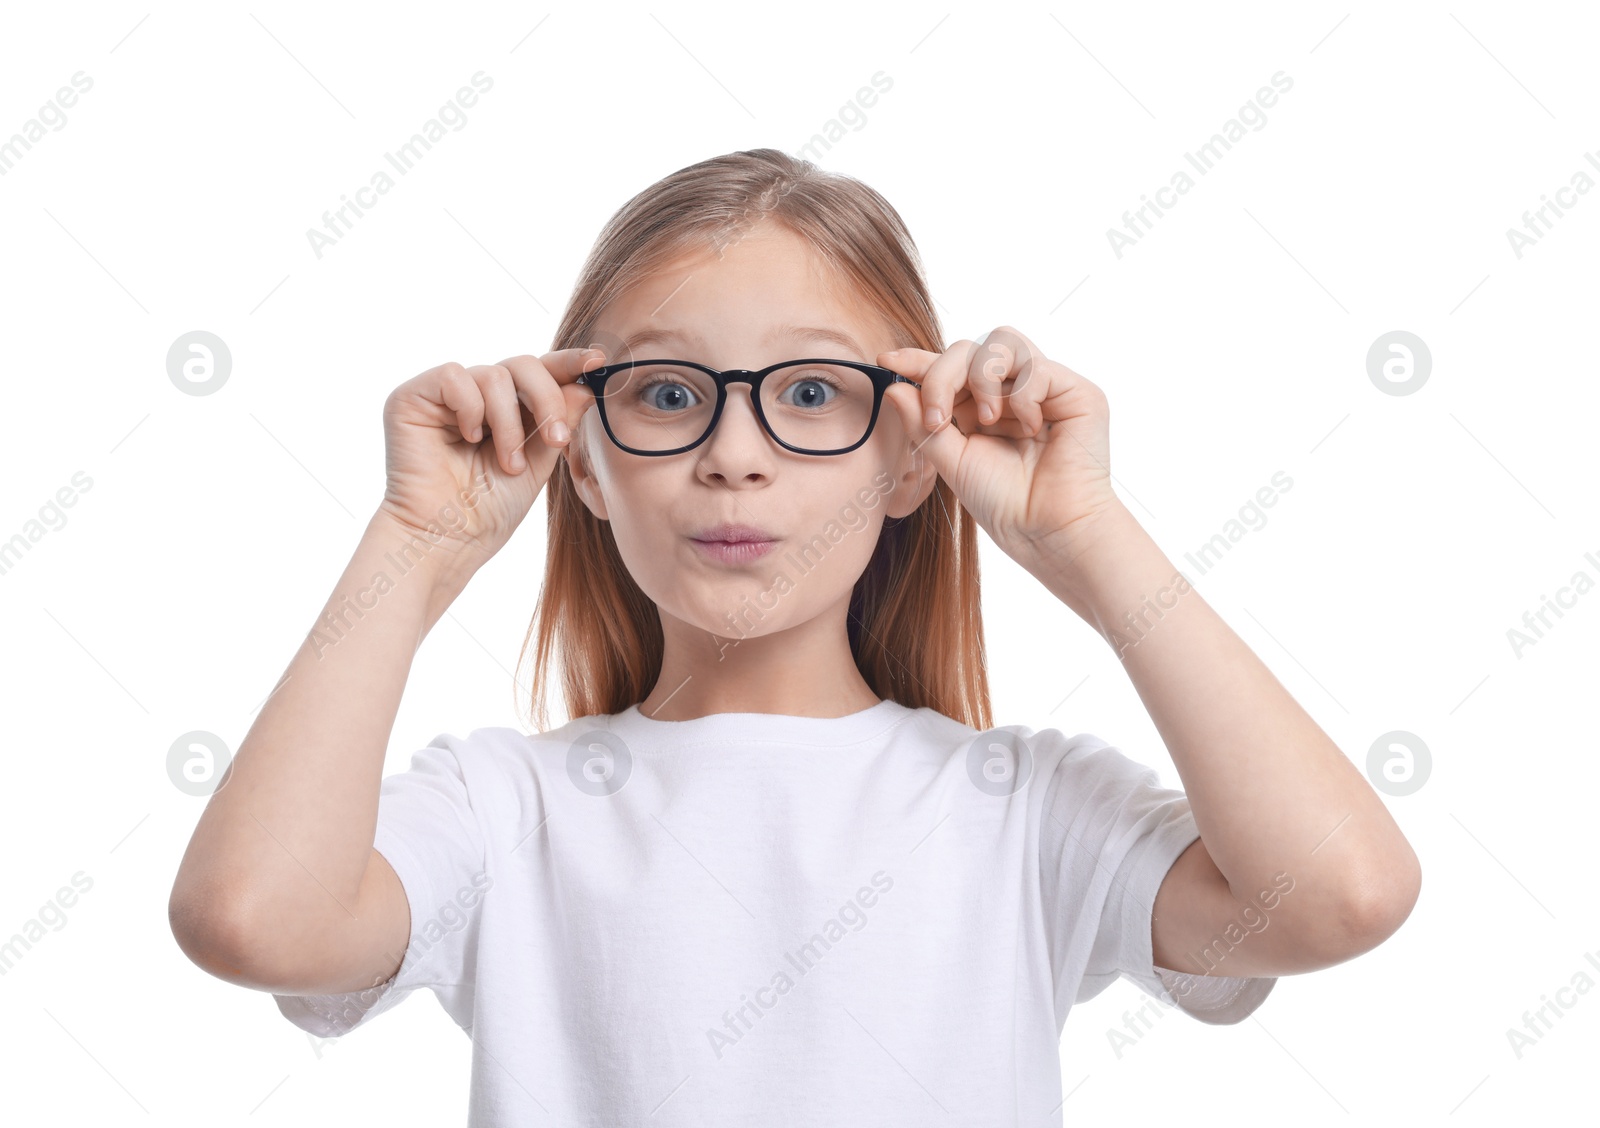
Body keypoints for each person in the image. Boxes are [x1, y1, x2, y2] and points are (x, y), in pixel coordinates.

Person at [167, 148, 1420, 1126]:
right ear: (587, 465)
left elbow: (1340, 895)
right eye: (665, 394)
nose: (731, 456)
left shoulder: (1021, 810)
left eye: (810, 393)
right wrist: (415, 546)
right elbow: (252, 921)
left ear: (912, 458)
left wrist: (1086, 535)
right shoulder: (506, 811)